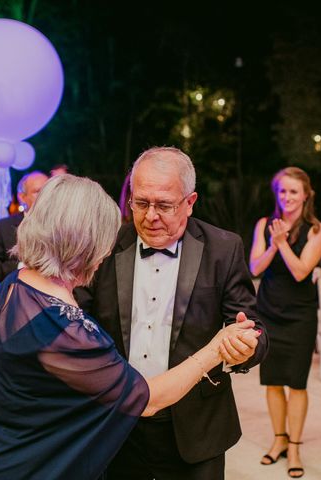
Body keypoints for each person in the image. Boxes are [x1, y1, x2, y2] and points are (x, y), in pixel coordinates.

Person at [0, 174, 260, 479]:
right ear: (86, 244)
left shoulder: (17, 285)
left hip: (0, 456)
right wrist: (215, 348)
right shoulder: (62, 325)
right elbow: (149, 398)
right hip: (37, 466)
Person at [76, 147, 268, 480]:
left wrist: (248, 347)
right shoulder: (105, 247)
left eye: (164, 205)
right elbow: (77, 319)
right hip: (118, 424)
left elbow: (251, 326)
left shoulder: (223, 248)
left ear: (190, 202)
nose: (150, 215)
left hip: (197, 427)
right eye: (140, 202)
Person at [249, 166, 321, 478]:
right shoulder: (265, 224)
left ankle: (294, 446)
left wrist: (282, 243)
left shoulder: (316, 229)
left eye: (294, 191)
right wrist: (272, 242)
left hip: (300, 316)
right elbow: (255, 267)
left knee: (296, 382)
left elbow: (300, 272)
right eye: (282, 191)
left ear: (306, 194)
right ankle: (278, 440)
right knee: (272, 380)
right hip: (268, 311)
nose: (287, 197)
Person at [0, 171, 48, 283]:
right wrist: (24, 267)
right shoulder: (2, 228)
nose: (45, 196)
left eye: (48, 191)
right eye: (38, 191)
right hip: (19, 295)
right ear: (22, 197)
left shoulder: (64, 225)